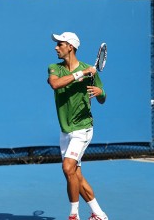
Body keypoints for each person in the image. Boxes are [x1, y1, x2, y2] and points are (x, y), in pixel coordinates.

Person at [47, 32, 108, 220]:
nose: (56, 47)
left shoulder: (91, 71)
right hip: (65, 129)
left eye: (60, 44)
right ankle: (98, 214)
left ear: (70, 47)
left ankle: (74, 216)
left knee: (67, 168)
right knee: (74, 175)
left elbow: (102, 98)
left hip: (83, 128)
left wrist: (99, 91)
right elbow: (55, 84)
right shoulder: (55, 68)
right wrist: (81, 73)